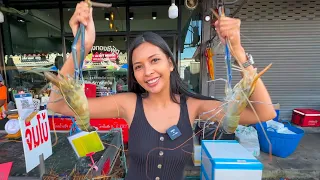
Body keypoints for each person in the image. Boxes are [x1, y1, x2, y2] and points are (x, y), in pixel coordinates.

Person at [48, 2, 276, 180]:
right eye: (138, 66)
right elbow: (56, 105)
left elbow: (264, 113)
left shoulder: (194, 106)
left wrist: (238, 51)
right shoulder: (128, 104)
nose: (147, 71)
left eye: (154, 60)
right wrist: (82, 47)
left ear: (170, 63)